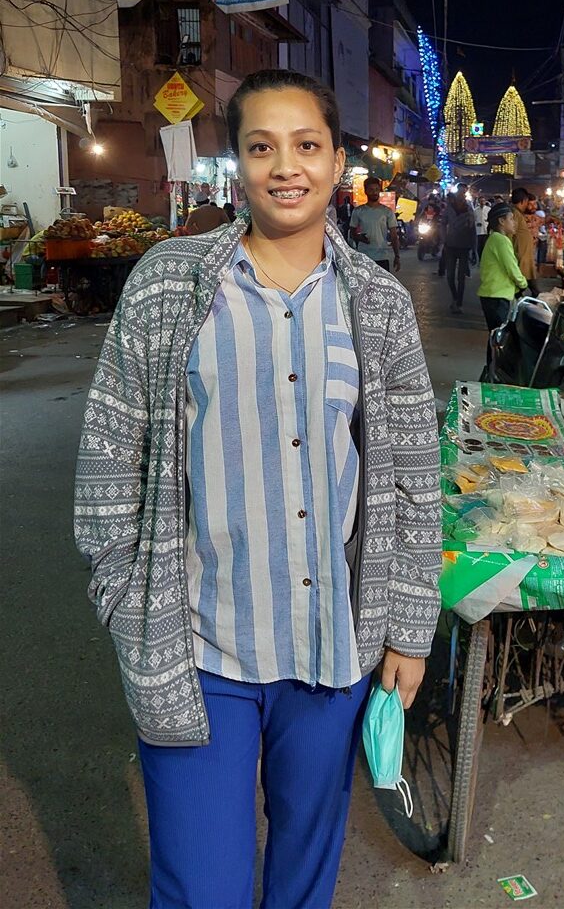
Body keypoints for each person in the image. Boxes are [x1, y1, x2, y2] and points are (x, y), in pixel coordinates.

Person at [74, 69, 441, 908]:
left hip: (331, 652)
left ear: (337, 160)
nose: (287, 167)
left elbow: (415, 477)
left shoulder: (377, 305)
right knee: (202, 887)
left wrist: (408, 629)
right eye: (262, 146)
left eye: (307, 146)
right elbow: (107, 457)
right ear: (236, 164)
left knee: (305, 882)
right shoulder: (170, 287)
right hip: (202, 646)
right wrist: (128, 603)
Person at [477, 202, 527, 365]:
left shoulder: (494, 239)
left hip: (493, 295)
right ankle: (494, 371)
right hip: (496, 297)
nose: (514, 223)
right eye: (511, 219)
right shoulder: (501, 240)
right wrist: (523, 283)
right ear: (501, 221)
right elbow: (511, 267)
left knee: (495, 336)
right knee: (499, 338)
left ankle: (491, 370)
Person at [349, 176, 401, 272]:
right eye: (371, 189)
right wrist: (359, 237)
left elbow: (394, 236)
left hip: (382, 256)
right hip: (364, 257)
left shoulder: (387, 212)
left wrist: (397, 256)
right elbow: (352, 233)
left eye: (377, 189)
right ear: (365, 191)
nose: (374, 192)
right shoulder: (358, 211)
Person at [443, 185, 476, 314]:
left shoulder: (469, 209)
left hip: (464, 246)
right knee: (450, 276)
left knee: (461, 277)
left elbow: (472, 229)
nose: (462, 194)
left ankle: (459, 302)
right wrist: (443, 238)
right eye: (460, 191)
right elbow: (442, 223)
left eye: (464, 192)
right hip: (450, 245)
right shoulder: (449, 208)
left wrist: (474, 248)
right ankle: (455, 297)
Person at [511, 186, 539, 296]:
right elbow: (510, 236)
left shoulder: (519, 214)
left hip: (525, 259)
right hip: (521, 259)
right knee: (523, 288)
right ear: (523, 201)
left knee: (527, 288)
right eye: (528, 202)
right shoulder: (514, 214)